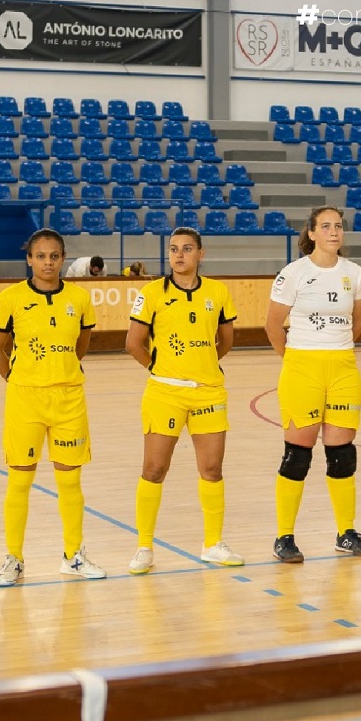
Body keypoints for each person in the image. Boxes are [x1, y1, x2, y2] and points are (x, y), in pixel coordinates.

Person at [0, 229, 104, 586]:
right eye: (40, 256)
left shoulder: (79, 299)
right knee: (20, 481)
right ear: (29, 259)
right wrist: (19, 378)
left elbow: (81, 344)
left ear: (63, 258)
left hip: (69, 399)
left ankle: (73, 556)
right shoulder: (11, 298)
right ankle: (14, 558)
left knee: (70, 482)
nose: (48, 262)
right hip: (25, 399)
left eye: (54, 256)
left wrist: (60, 370)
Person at [124, 227, 243, 574]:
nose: (179, 255)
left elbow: (226, 341)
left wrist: (201, 367)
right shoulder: (151, 293)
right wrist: (161, 369)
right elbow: (134, 343)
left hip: (208, 392)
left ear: (200, 254)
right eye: (174, 249)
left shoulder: (218, 293)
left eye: (187, 249)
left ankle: (212, 543)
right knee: (154, 469)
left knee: (211, 469)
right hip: (164, 392)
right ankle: (144, 546)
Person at [266, 206, 361, 563]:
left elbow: (357, 323)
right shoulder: (293, 273)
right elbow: (272, 325)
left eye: (339, 226)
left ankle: (346, 532)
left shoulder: (353, 272)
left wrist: (334, 348)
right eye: (325, 226)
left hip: (343, 366)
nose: (333, 231)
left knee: (342, 454)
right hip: (302, 367)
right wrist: (297, 359)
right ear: (311, 233)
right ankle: (284, 536)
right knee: (298, 455)